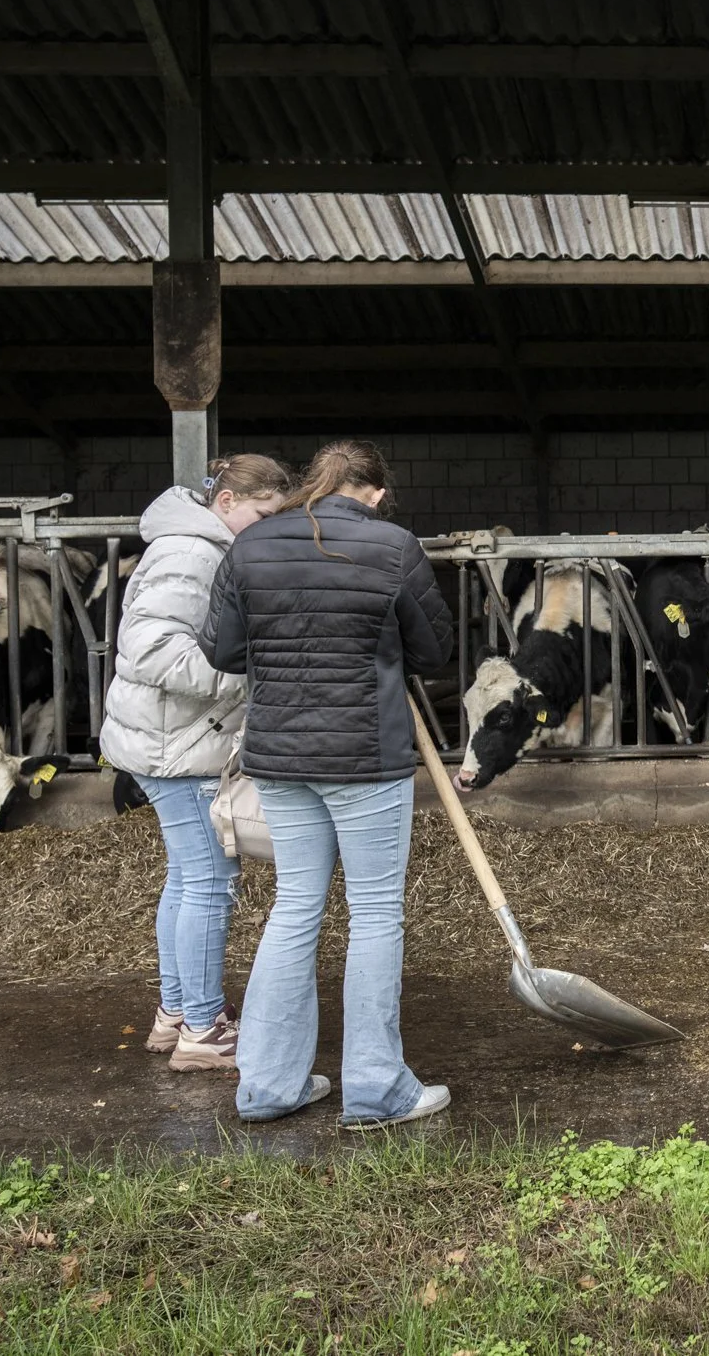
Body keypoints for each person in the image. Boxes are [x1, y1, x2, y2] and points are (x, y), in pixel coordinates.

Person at [199, 439, 457, 1128]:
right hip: (364, 756)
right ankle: (376, 1089)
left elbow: (221, 647)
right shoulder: (393, 545)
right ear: (371, 492)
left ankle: (268, 1085)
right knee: (374, 913)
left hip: (279, 756)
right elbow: (436, 651)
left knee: (295, 907)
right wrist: (377, 641)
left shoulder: (249, 548)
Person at [100, 453, 293, 1073]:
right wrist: (244, 680)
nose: (264, 528)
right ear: (229, 500)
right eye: (261, 514)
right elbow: (152, 651)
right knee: (209, 882)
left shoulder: (202, 546)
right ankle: (204, 1031)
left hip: (170, 737)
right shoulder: (192, 553)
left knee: (188, 879)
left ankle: (177, 1013)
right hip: (177, 743)